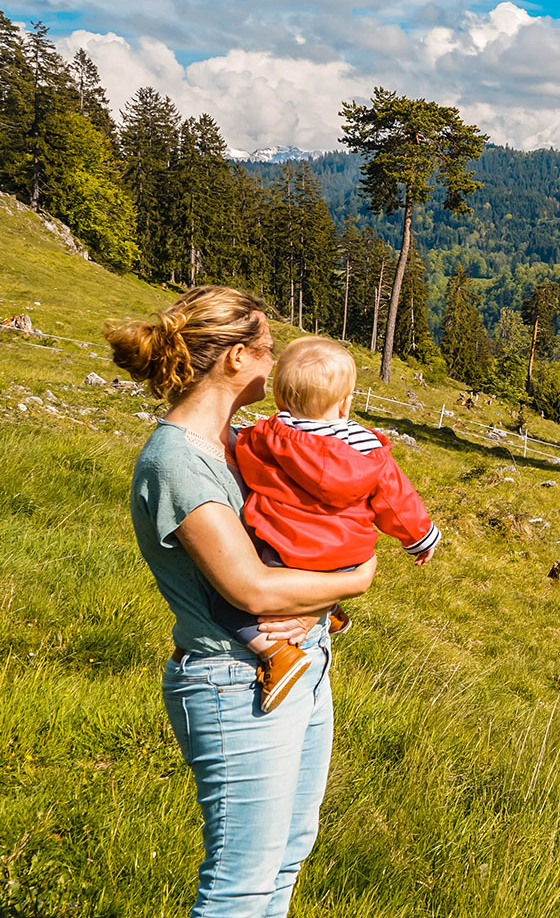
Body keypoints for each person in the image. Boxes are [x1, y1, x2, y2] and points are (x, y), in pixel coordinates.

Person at [106, 286, 376, 918]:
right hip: (235, 683)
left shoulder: (240, 442)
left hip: (299, 665)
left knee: (286, 853)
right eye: (267, 350)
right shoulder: (178, 461)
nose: (275, 364)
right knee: (240, 883)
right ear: (233, 360)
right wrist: (356, 578)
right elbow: (249, 587)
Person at [215, 336, 439, 712]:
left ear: (281, 400)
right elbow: (398, 502)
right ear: (346, 402)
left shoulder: (263, 438)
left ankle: (276, 654)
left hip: (287, 556)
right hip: (347, 557)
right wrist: (420, 539)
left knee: (225, 603)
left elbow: (242, 460)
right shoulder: (368, 449)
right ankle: (329, 608)